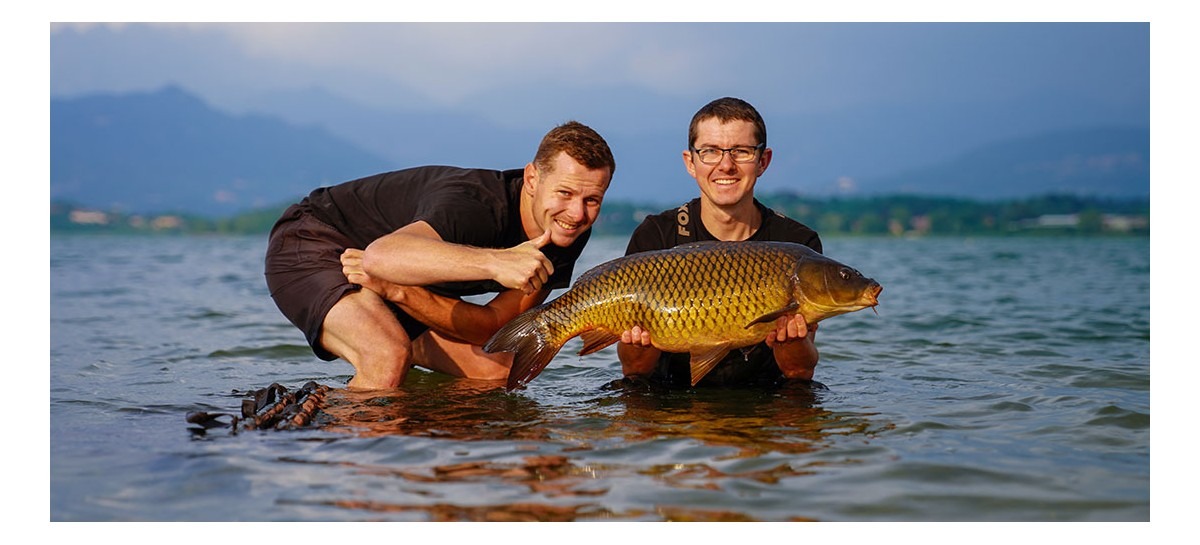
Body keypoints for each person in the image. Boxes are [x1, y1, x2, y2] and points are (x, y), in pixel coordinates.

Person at [265, 121, 616, 390]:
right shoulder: (473, 205)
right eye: (565, 193)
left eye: (591, 200)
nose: (576, 214)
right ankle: (345, 468)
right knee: (387, 355)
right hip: (317, 240)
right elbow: (379, 258)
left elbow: (492, 326)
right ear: (531, 179)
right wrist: (497, 261)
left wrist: (399, 292)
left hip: (392, 278)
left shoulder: (566, 234)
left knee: (495, 373)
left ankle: (425, 456)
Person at [617, 97, 823, 388]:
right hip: (671, 397)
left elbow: (799, 372)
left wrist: (792, 342)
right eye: (710, 152)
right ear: (691, 162)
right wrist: (637, 344)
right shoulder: (657, 236)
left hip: (762, 398)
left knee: (801, 397)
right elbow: (634, 367)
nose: (726, 165)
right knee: (633, 392)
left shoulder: (796, 244)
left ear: (763, 161)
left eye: (741, 151)